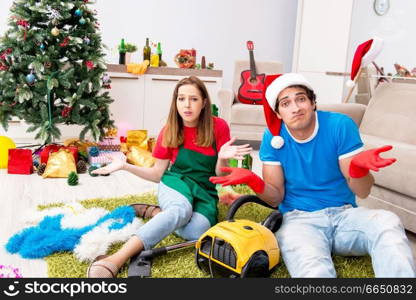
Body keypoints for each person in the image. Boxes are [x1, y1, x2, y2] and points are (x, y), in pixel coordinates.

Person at [210, 73, 416, 278]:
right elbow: (275, 197)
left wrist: (359, 170)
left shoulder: (339, 126)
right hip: (299, 221)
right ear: (278, 113)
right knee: (313, 271)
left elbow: (362, 191)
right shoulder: (273, 138)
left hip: (345, 217)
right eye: (285, 103)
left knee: (387, 222)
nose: (296, 107)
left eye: (301, 99)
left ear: (312, 103)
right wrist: (252, 179)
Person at [87, 76, 252, 277]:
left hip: (205, 190)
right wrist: (124, 166)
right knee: (181, 210)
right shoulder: (169, 130)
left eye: (193, 99)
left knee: (197, 232)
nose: (187, 105)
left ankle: (158, 214)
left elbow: (219, 174)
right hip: (176, 183)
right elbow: (157, 174)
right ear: (175, 102)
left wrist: (223, 159)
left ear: (204, 102)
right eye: (181, 99)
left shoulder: (219, 127)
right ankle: (116, 258)